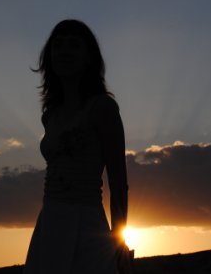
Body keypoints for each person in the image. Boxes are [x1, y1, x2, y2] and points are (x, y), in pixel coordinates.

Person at [23, 19, 132, 274]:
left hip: (86, 225)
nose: (64, 52)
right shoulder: (50, 115)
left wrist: (119, 240)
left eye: (74, 45)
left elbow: (118, 182)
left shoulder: (103, 108)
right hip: (49, 224)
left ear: (88, 57)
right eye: (58, 45)